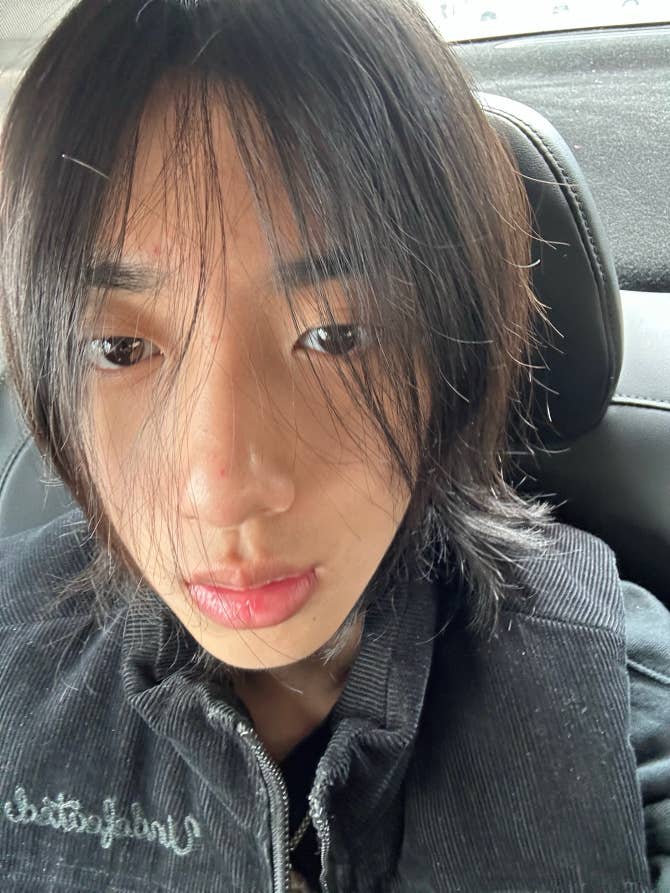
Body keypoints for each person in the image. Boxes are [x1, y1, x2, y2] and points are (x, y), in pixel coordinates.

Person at [0, 1, 667, 891]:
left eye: (337, 337)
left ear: (448, 349)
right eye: (121, 349)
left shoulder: (612, 692)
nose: (224, 490)